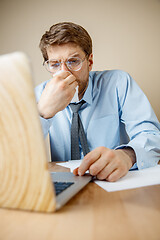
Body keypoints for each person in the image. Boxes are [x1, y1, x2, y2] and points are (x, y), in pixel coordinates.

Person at [35, 22, 160, 182]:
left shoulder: (118, 83)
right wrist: (43, 113)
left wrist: (127, 155)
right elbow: (15, 155)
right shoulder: (39, 94)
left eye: (73, 61)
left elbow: (151, 134)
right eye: (55, 64)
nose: (64, 72)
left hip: (114, 181)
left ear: (90, 62)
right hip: (65, 183)